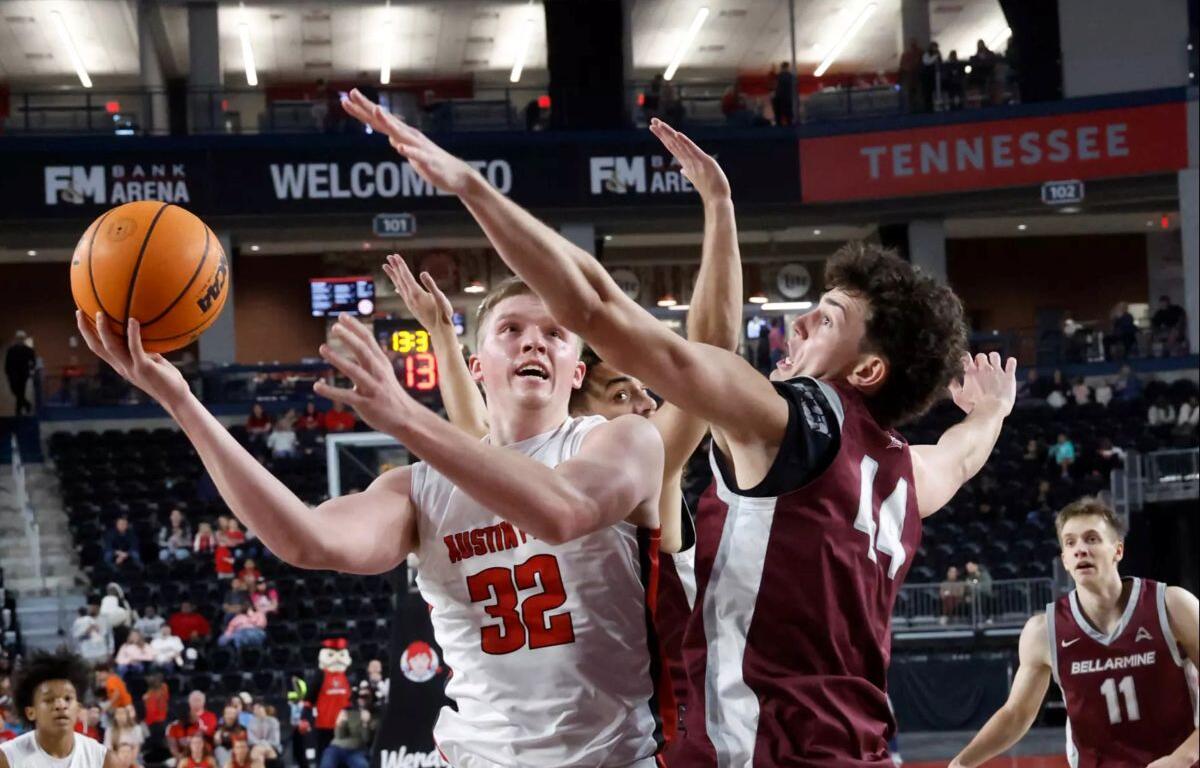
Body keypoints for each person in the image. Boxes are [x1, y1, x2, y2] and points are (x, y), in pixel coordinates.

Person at [339, 90, 1015, 765]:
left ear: (867, 370)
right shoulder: (899, 468)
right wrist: (990, 413)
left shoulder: (773, 429)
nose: (798, 322)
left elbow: (623, 317)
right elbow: (958, 456)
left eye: (827, 318)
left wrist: (471, 186)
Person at [78, 223, 666, 767]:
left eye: (555, 335)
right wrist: (183, 403)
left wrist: (408, 418)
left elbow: (563, 512)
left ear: (579, 370)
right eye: (511, 330)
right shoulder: (420, 489)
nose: (533, 343)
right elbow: (306, 540)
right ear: (476, 366)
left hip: (613, 757)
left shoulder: (625, 441)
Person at [384, 118, 744, 717]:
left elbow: (708, 363)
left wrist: (718, 206)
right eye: (626, 394)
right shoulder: (550, 456)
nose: (648, 406)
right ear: (582, 395)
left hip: (657, 730)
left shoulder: (641, 460)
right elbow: (477, 431)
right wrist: (445, 337)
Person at [949, 498, 1199, 768]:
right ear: (1064, 560)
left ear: (1118, 550)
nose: (1081, 549)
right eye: (1070, 543)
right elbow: (1016, 714)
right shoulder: (1043, 631)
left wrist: (1182, 757)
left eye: (1091, 539)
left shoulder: (1171, 606)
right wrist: (962, 763)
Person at [1, 647, 117, 767]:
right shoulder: (7, 759)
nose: (61, 705)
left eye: (68, 698)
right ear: (31, 712)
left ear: (78, 708)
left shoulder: (103, 759)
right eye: (49, 700)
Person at [318, 688, 375, 768]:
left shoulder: (374, 714)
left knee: (363, 765)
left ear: (370, 698)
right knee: (327, 764)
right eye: (359, 696)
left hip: (356, 750)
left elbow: (367, 739)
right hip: (336, 748)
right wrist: (340, 724)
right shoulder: (348, 711)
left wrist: (365, 724)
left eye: (365, 696)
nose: (361, 699)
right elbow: (339, 736)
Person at [4, 330, 36, 416]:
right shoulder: (11, 350)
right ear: (16, 339)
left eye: (22, 338)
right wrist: (7, 372)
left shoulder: (28, 350)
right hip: (12, 374)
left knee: (21, 392)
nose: (20, 340)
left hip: (23, 374)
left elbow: (33, 361)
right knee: (14, 390)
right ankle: (26, 404)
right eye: (19, 338)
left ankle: (18, 411)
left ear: (24, 339)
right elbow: (7, 362)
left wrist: (31, 370)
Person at [772, 61, 795, 126]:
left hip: (779, 98)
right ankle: (789, 128)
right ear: (787, 67)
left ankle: (779, 128)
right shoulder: (790, 76)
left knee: (778, 116)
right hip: (787, 98)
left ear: (781, 67)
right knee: (788, 117)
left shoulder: (778, 76)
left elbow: (774, 87)